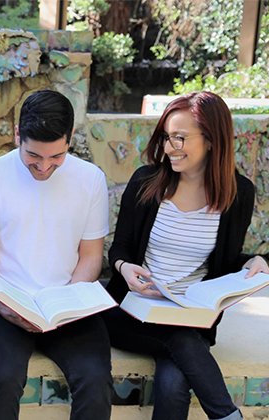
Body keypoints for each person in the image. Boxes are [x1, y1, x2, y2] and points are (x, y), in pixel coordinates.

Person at [104, 91, 267, 420]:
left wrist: (255, 261)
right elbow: (118, 249)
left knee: (174, 381)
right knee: (181, 342)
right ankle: (227, 415)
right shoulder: (146, 182)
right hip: (130, 312)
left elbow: (223, 261)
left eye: (179, 138)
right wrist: (125, 268)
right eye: (166, 136)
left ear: (211, 140)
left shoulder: (238, 194)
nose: (168, 147)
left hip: (190, 316)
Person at [0, 89, 113, 420]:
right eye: (33, 155)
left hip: (66, 304)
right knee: (4, 378)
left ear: (70, 138)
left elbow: (91, 256)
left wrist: (67, 305)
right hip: (3, 302)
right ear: (18, 134)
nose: (44, 167)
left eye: (56, 157)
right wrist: (5, 307)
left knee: (95, 380)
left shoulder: (90, 180)